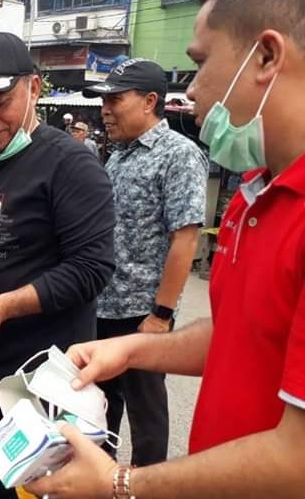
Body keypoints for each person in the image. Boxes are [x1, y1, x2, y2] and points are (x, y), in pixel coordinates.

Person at [25, 0, 305, 497]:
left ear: (266, 56)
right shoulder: (256, 192)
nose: (192, 90)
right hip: (115, 314)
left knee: (148, 423)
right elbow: (245, 333)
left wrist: (123, 484)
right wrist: (132, 350)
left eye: (199, 63)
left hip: (142, 306)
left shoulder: (185, 158)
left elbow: (296, 459)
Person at [0, 31, 115, 499]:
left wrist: (4, 306)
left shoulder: (70, 164)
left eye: (0, 100)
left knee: (40, 490)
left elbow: (92, 268)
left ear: (33, 88)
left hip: (48, 380)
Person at [80, 58, 208, 466]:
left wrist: (161, 314)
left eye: (115, 99)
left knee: (147, 414)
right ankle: (101, 478)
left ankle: (147, 484)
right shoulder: (118, 155)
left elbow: (184, 240)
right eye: (103, 100)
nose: (105, 109)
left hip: (141, 314)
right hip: (102, 305)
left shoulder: (178, 155)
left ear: (150, 101)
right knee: (99, 406)